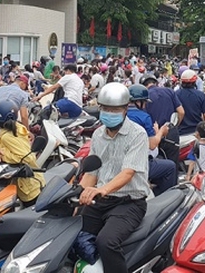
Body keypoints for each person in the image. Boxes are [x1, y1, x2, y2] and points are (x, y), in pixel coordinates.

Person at [77, 83, 152, 273]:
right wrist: (76, 197)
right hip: (100, 201)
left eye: (115, 109)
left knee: (106, 242)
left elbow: (128, 172)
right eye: (105, 108)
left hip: (129, 203)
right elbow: (91, 173)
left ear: (126, 109)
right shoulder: (97, 135)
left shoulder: (137, 134)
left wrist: (102, 190)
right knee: (71, 232)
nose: (109, 113)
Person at [0, 101, 44, 206]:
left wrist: (2, 154)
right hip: (27, 182)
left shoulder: (8, 136)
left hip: (28, 187)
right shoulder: (15, 128)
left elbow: (27, 157)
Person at [126, 84, 177, 195]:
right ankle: (165, 198)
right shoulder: (144, 117)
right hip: (138, 163)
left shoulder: (121, 114)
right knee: (171, 166)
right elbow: (152, 144)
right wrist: (160, 132)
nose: (144, 106)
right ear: (138, 102)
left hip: (122, 160)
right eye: (144, 103)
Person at [143, 73, 185, 165]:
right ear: (156, 83)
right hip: (170, 132)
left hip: (153, 135)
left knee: (156, 165)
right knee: (173, 165)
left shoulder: (144, 97)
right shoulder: (169, 91)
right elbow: (181, 112)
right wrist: (174, 126)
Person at [176, 70, 205, 136]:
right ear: (194, 82)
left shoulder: (176, 94)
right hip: (196, 132)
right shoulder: (200, 95)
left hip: (181, 132)